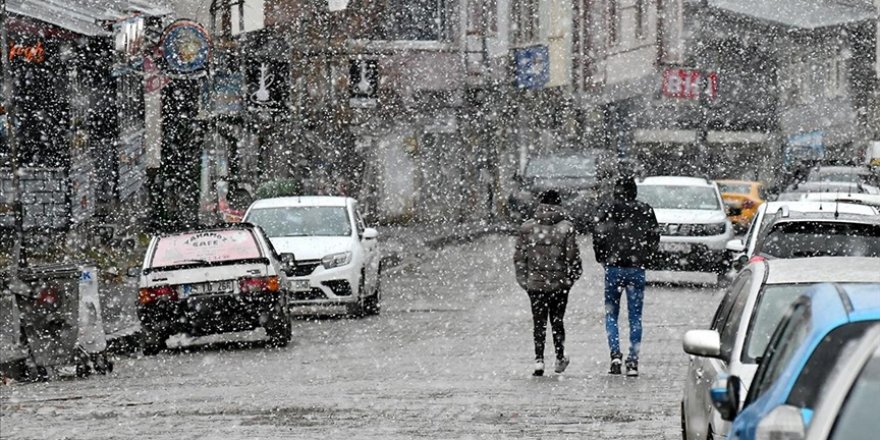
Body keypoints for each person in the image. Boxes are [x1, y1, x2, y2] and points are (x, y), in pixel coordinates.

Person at [592, 175, 660, 377]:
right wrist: (646, 257)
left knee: (611, 314)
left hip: (613, 268)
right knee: (635, 317)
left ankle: (615, 354)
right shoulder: (645, 210)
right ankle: (633, 360)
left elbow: (598, 235)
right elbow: (654, 237)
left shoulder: (607, 209)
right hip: (636, 268)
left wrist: (602, 257)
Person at [514, 190, 582, 376]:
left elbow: (520, 258)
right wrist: (570, 279)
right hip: (559, 284)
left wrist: (525, 281)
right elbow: (572, 257)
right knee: (557, 320)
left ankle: (539, 360)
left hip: (535, 284)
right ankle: (559, 357)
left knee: (539, 322)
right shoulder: (566, 227)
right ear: (559, 205)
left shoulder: (527, 228)